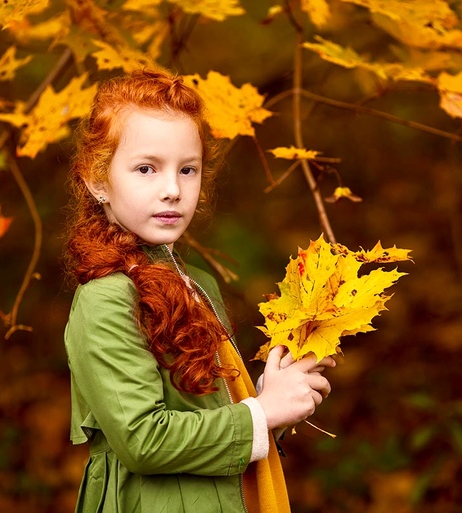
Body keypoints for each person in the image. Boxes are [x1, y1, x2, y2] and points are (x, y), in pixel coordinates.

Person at [63, 68, 334, 513]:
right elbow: (144, 441)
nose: (172, 190)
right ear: (97, 180)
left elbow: (208, 421)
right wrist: (262, 413)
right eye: (146, 169)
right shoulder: (106, 298)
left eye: (187, 170)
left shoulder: (196, 281)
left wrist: (274, 396)